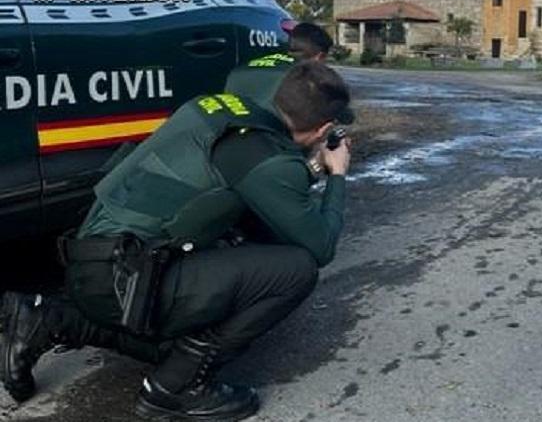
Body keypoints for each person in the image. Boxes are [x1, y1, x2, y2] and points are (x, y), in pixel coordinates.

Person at [1, 61, 352, 421]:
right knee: (295, 269)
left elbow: (266, 199)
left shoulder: (221, 111)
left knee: (187, 326)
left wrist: (308, 169)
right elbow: (320, 247)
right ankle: (176, 388)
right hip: (126, 278)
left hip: (94, 263)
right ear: (324, 128)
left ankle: (48, 318)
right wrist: (337, 174)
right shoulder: (265, 157)